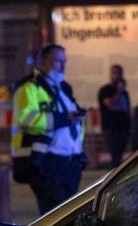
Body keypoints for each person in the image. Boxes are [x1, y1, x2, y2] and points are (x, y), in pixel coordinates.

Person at [11, 44, 87, 215]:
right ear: (42, 62)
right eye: (57, 61)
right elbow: (26, 119)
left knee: (66, 217)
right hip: (47, 163)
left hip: (70, 163)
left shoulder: (64, 88)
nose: (63, 66)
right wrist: (64, 119)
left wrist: (79, 153)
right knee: (55, 218)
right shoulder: (28, 88)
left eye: (64, 61)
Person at [97, 64, 131, 167]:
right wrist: (119, 91)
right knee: (115, 155)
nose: (117, 75)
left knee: (120, 155)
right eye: (114, 72)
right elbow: (110, 104)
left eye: (119, 73)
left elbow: (127, 109)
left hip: (123, 128)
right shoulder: (105, 90)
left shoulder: (125, 93)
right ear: (110, 74)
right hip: (111, 128)